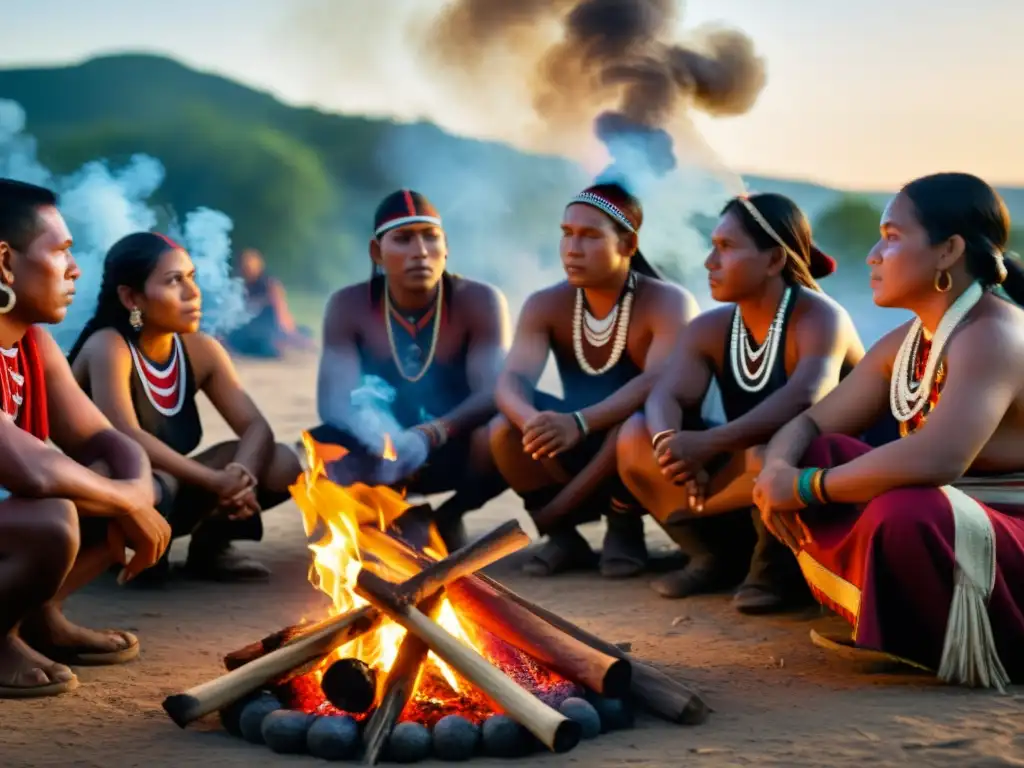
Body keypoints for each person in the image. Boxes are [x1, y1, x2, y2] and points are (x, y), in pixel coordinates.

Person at [754, 172, 1024, 688]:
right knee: (823, 450)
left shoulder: (994, 334)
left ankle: (930, 634)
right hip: (962, 516)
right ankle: (889, 617)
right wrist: (779, 472)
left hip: (1008, 532)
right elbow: (810, 422)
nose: (873, 255)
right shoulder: (910, 340)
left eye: (893, 237)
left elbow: (937, 460)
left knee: (909, 509)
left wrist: (805, 487)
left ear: (948, 250)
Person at [617, 192, 864, 611]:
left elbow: (807, 396)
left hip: (832, 482)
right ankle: (713, 556)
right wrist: (671, 446)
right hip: (750, 479)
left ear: (773, 261)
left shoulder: (821, 316)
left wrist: (708, 445)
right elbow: (667, 394)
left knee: (769, 452)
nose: (710, 261)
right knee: (634, 435)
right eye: (712, 246)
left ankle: (774, 572)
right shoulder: (711, 327)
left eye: (726, 247)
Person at [0, 179, 171, 698]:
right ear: (4, 262)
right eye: (61, 252)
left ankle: (39, 617)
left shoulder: (33, 343)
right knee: (56, 516)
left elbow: (102, 437)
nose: (75, 269)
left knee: (108, 485)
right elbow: (29, 468)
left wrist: (132, 488)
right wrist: (131, 498)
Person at [67, 232, 301, 584]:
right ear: (131, 297)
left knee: (284, 461)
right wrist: (215, 480)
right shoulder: (108, 347)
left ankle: (211, 548)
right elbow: (127, 438)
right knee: (148, 482)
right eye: (175, 280)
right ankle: (120, 553)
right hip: (115, 494)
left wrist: (242, 479)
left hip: (171, 487)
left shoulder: (201, 349)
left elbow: (255, 426)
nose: (193, 292)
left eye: (191, 277)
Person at [490, 182, 698, 578]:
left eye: (589, 236)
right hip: (575, 439)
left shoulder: (668, 303)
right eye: (566, 234)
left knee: (633, 427)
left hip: (637, 441)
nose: (572, 248)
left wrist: (580, 422)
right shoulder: (545, 304)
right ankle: (564, 538)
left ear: (629, 244)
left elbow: (659, 382)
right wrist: (531, 422)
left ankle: (624, 525)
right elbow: (511, 379)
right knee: (503, 431)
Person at [309, 189, 511, 550]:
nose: (420, 251)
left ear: (446, 245)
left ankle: (450, 515)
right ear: (376, 252)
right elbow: (333, 400)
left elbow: (494, 390)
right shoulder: (348, 305)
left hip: (454, 442)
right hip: (379, 451)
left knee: (507, 432)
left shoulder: (479, 300)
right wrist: (376, 434)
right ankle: (388, 519)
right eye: (403, 239)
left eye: (430, 237)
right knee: (312, 450)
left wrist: (429, 434)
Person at [225, 248, 315, 358]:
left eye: (248, 267)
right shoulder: (242, 286)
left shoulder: (270, 284)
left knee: (268, 346)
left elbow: (281, 312)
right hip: (253, 329)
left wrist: (290, 332)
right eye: (244, 267)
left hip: (272, 328)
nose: (245, 270)